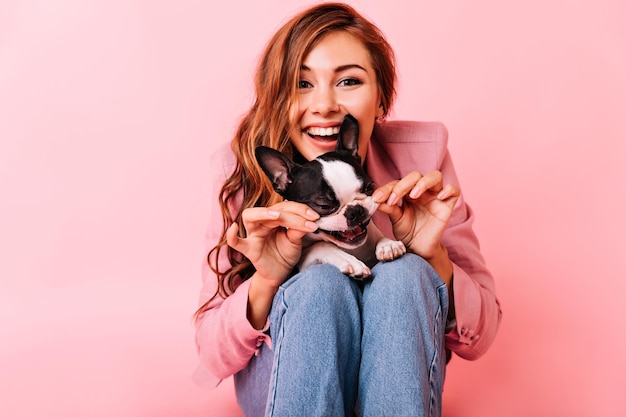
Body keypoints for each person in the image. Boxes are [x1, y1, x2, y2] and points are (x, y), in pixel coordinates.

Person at [194, 3, 501, 416]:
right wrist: (267, 281)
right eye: (302, 84)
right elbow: (211, 355)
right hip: (288, 380)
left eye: (349, 81)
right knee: (320, 286)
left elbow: (480, 336)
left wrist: (432, 255)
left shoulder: (423, 156)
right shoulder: (244, 171)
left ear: (381, 99)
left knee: (406, 272)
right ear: (275, 98)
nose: (325, 105)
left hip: (401, 377)